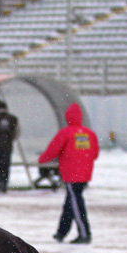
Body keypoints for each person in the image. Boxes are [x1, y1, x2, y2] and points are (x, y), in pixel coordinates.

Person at [39, 102, 99, 244]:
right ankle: (61, 232)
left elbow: (53, 150)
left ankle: (84, 233)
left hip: (71, 174)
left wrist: (42, 159)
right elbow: (94, 154)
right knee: (70, 202)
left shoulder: (65, 133)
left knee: (76, 203)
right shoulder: (89, 134)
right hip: (84, 174)